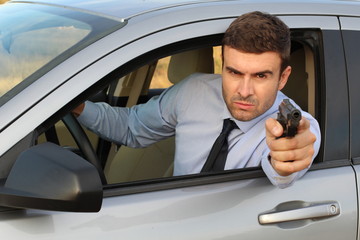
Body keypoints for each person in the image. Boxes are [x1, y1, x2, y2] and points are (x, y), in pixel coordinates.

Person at [73, 11, 320, 188]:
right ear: (222, 67)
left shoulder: (295, 128)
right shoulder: (193, 91)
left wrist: (284, 163)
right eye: (234, 72)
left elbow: (287, 162)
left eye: (260, 76)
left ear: (283, 78)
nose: (244, 91)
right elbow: (131, 127)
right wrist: (79, 107)